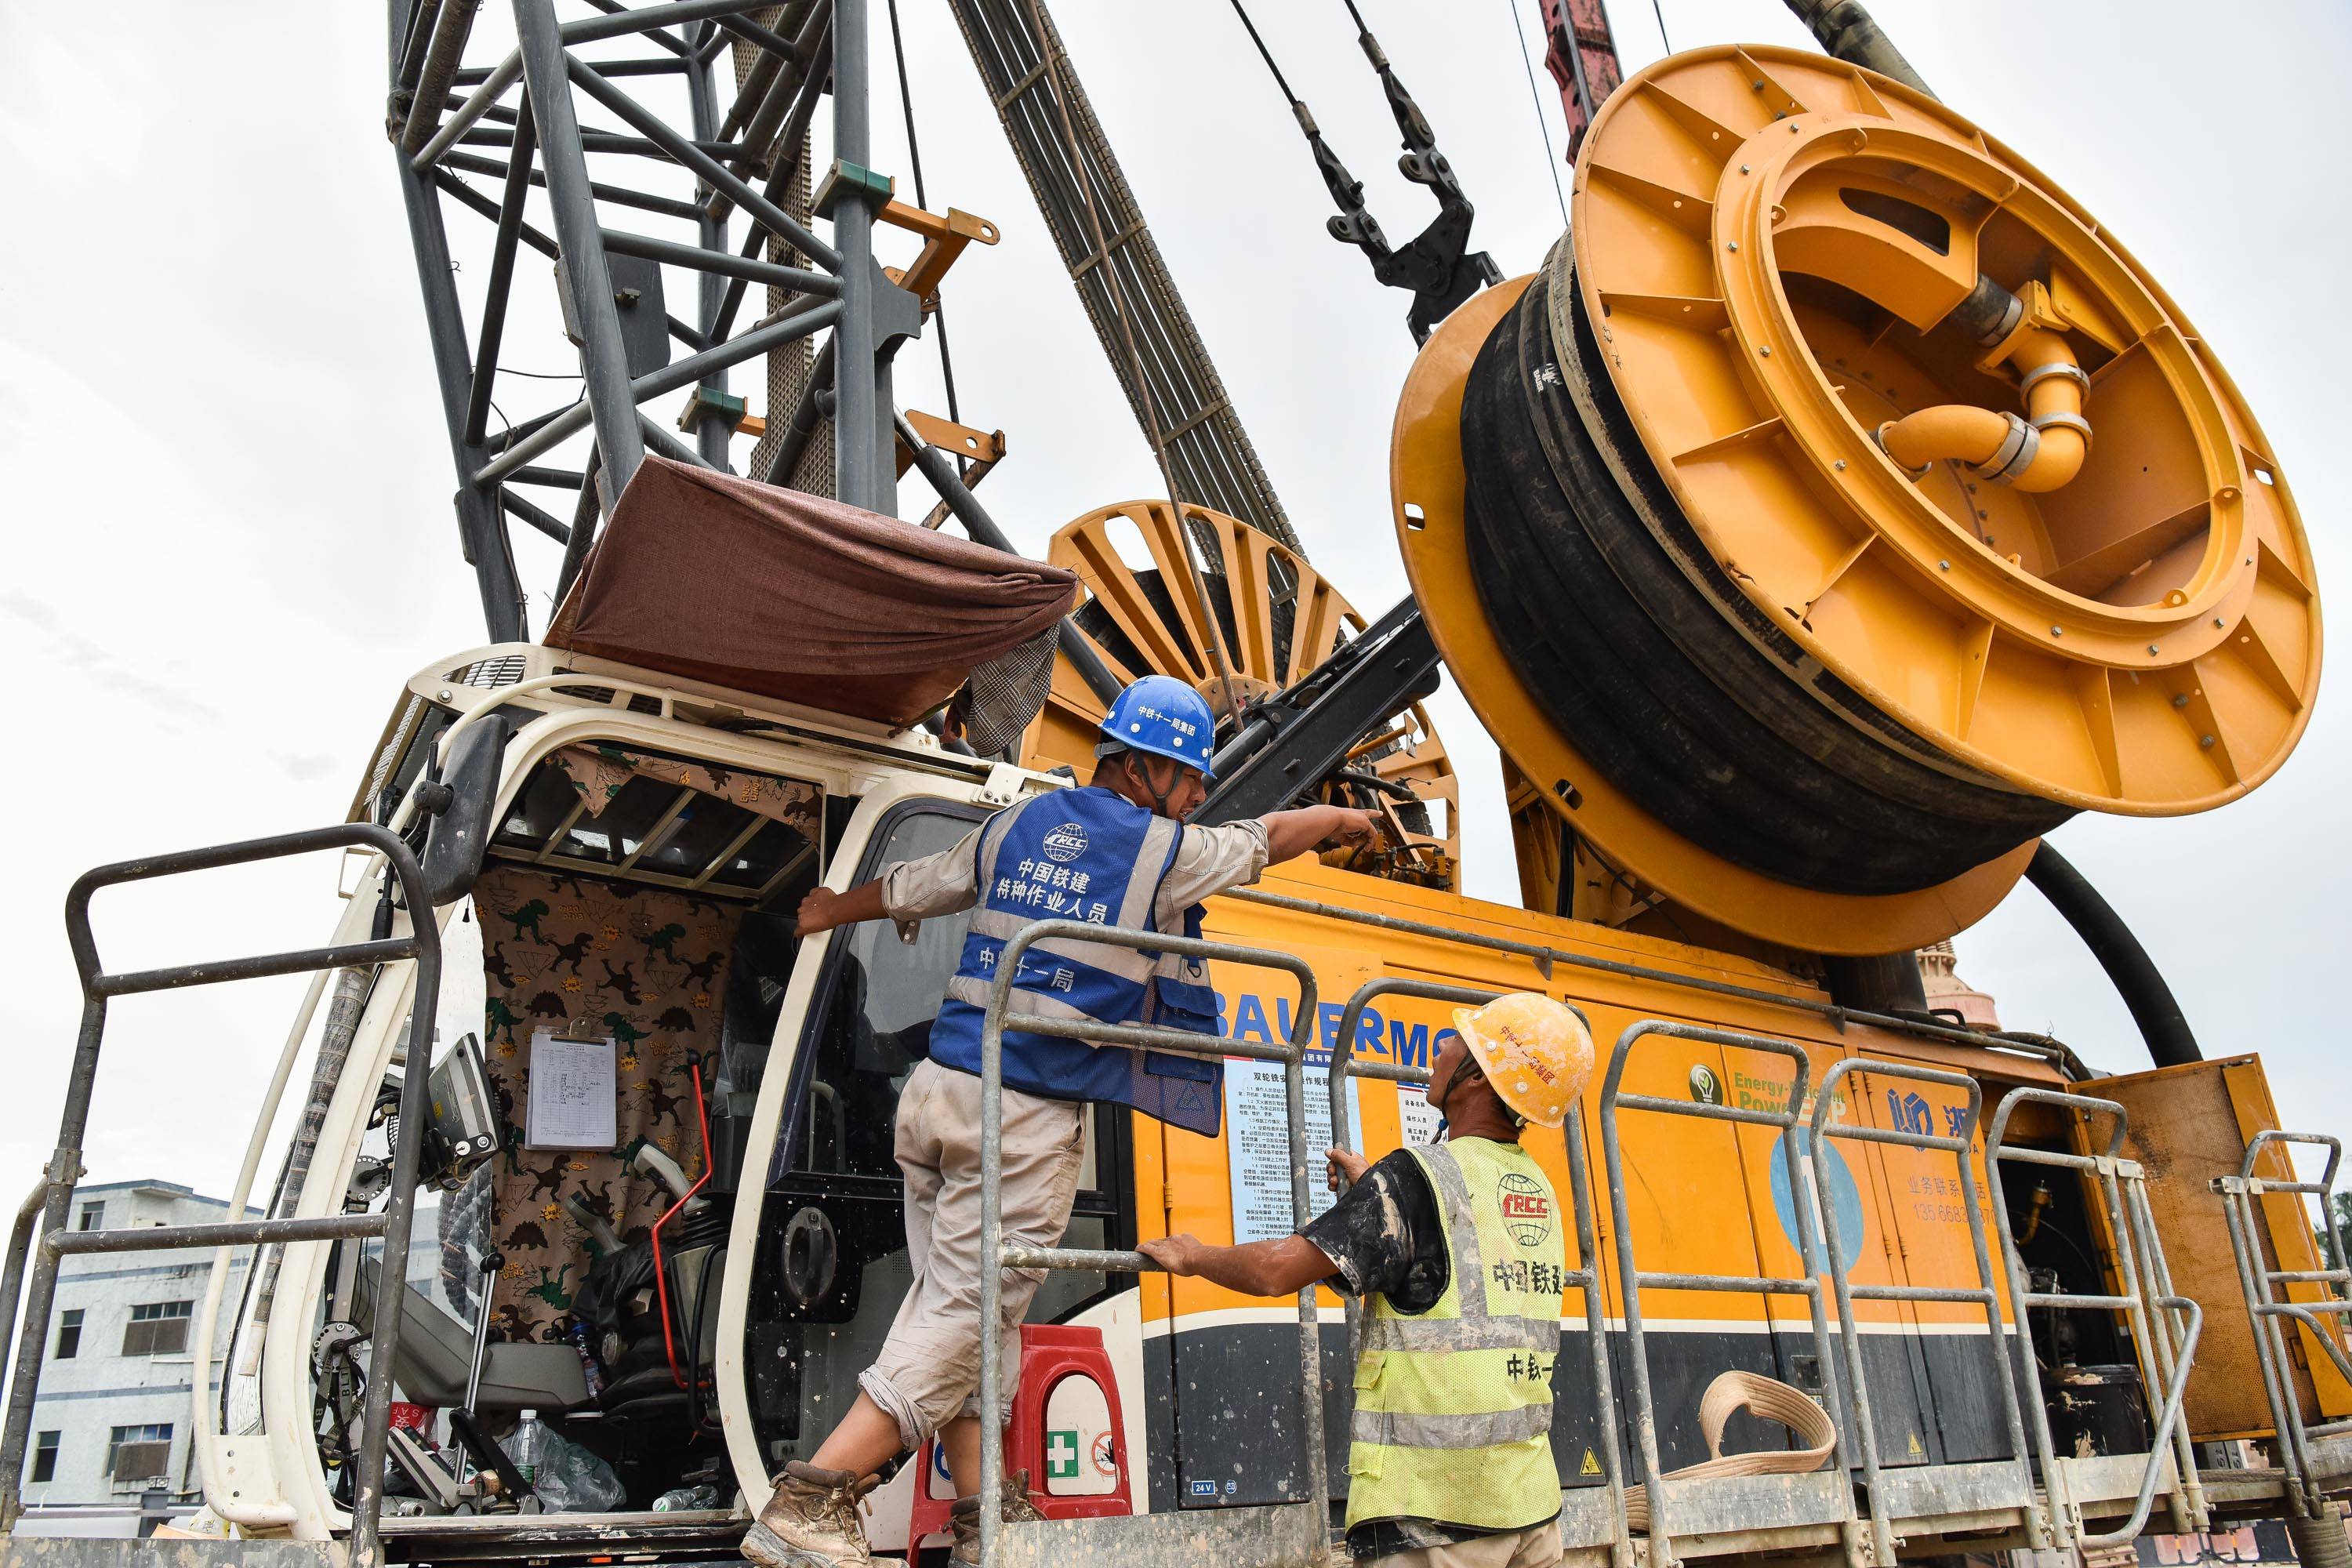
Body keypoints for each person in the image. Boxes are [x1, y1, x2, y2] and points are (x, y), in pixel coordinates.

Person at [744, 674, 1381, 1568]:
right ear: (1150, 769)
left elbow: (917, 886)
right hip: (1022, 1117)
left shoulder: (1014, 826)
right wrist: (1344, 822)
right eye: (1192, 778)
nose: (1199, 796)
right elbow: (1269, 835)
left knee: (967, 1310)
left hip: (937, 1096)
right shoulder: (1166, 850)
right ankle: (813, 1498)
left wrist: (829, 911)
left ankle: (983, 1514)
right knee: (967, 1312)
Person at [1140, 993, 1596, 1568]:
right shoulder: (1536, 1188)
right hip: (1530, 1511)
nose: (1441, 1048)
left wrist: (1194, 1256)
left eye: (1458, 1041)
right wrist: (1377, 1198)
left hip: (1437, 1522)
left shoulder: (1414, 1180)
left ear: (1478, 1077)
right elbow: (1457, 1274)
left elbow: (1277, 1270)